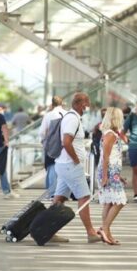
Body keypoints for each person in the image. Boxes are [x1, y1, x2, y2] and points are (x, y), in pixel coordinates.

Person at [53, 92, 101, 243]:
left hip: (64, 164)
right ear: (81, 104)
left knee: (59, 199)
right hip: (70, 165)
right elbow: (66, 142)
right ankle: (91, 232)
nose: (88, 107)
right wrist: (76, 160)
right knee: (84, 197)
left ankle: (49, 230)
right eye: (87, 104)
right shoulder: (72, 119)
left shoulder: (72, 118)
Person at [96, 107, 128, 245]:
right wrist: (105, 176)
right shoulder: (110, 135)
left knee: (109, 202)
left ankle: (106, 231)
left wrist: (117, 175)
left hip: (111, 171)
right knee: (120, 201)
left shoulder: (110, 133)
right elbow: (106, 157)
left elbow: (112, 157)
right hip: (108, 171)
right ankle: (105, 228)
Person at [38, 96, 65, 196]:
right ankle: (62, 192)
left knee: (51, 167)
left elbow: (41, 132)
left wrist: (44, 142)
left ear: (52, 104)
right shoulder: (67, 114)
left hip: (51, 145)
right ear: (62, 104)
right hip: (64, 145)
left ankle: (52, 192)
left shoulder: (48, 115)